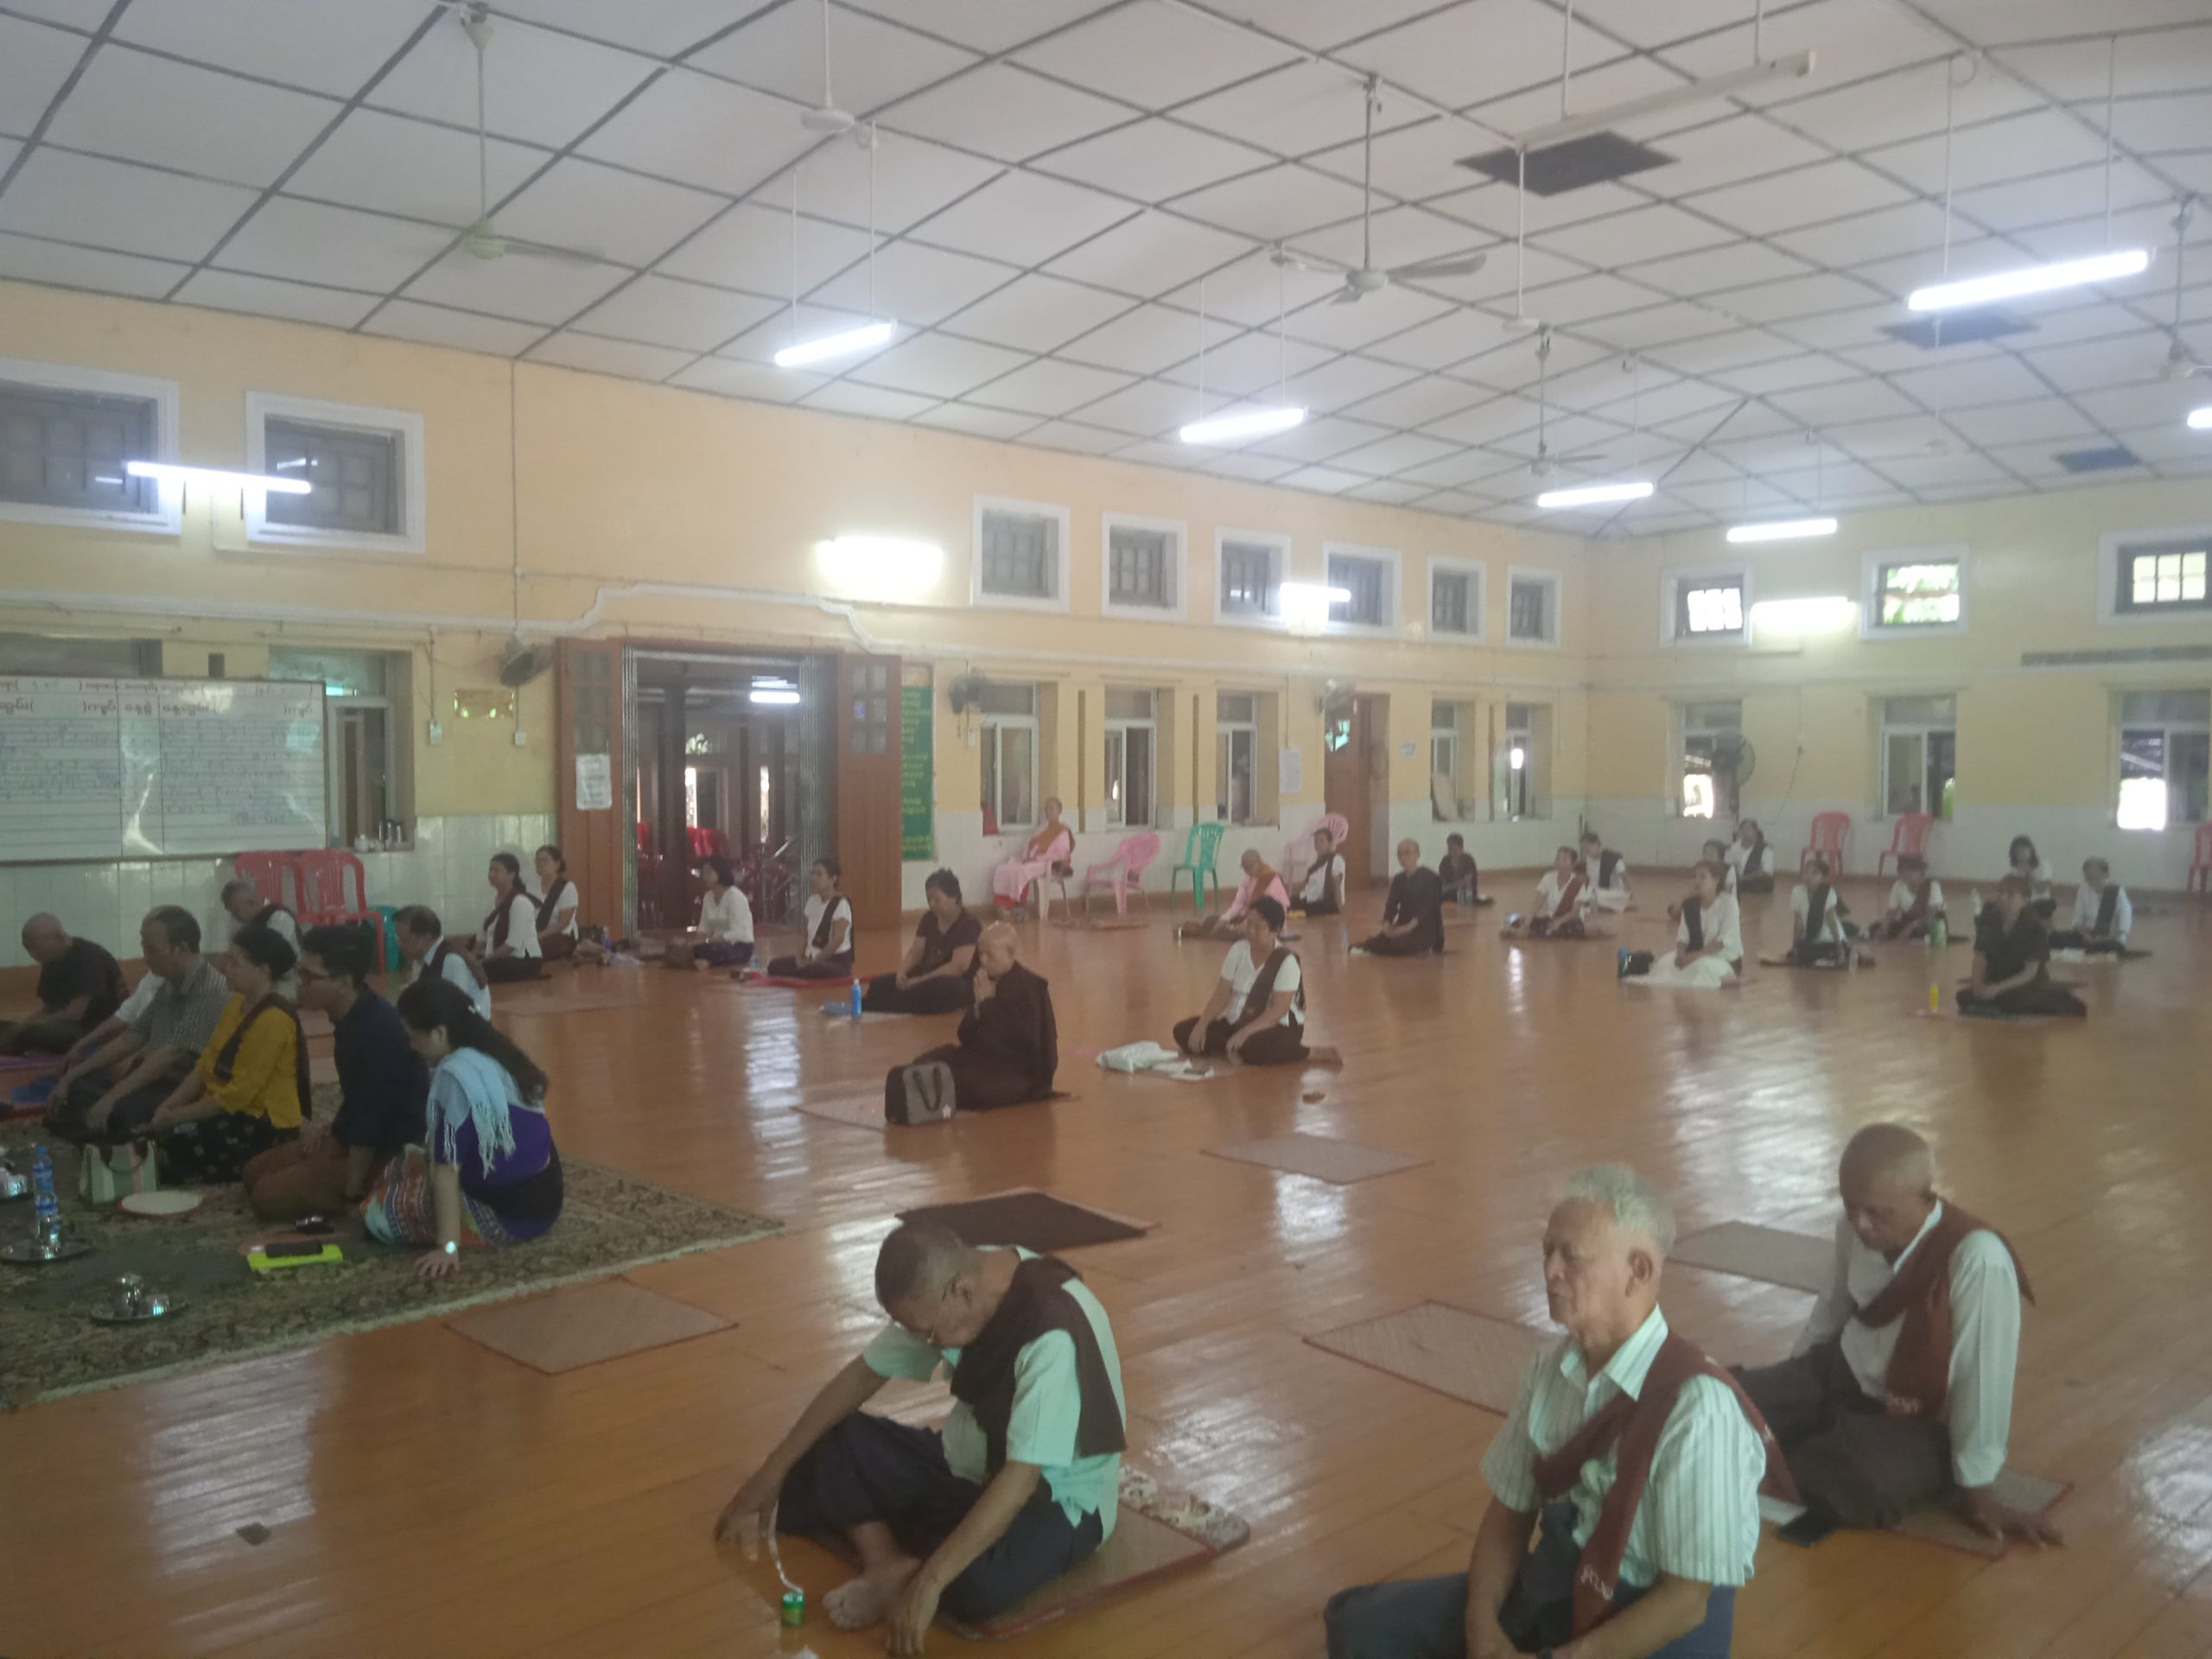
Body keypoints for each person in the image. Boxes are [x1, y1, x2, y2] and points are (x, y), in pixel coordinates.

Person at [1324, 1165, 1792, 1659]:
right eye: (1547, 1250)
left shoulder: (1699, 1408)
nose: (1550, 1271)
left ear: (1638, 1271)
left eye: (1571, 1256)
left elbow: (1685, 1602)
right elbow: (1509, 1513)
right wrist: (1482, 1627)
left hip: (1647, 1625)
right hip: (1560, 1585)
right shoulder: (1550, 1371)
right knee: (1360, 1628)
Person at [715, 1224, 1127, 1645]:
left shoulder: (1051, 1331)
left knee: (977, 1587)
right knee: (835, 1437)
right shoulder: (957, 1277)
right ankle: (885, 1564)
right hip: (969, 1465)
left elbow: (1021, 1478)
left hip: (1054, 1499)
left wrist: (930, 1584)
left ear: (962, 1293)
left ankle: (921, 1569)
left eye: (926, 1333)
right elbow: (862, 1376)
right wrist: (772, 1472)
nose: (923, 1341)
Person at [1734, 1124, 2058, 1546]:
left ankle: (1799, 1447)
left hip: (1917, 1419)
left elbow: (1984, 1377)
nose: (1861, 1224)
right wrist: (1791, 1383)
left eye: (1877, 1213)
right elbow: (1830, 1310)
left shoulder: (1977, 1258)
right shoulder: (1853, 1226)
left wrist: (1978, 1490)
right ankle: (1797, 1438)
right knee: (1724, 1401)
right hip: (1842, 1375)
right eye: (1851, 1208)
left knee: (1856, 1477)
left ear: (1926, 1198)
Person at [367, 976, 563, 1274]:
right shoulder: (495, 1049)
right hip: (547, 1197)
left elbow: (446, 1170)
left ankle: (468, 1229)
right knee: (401, 1167)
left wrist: (448, 1247)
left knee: (378, 1213)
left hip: (510, 1216)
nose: (411, 1046)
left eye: (413, 1037)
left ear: (439, 1033)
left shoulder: (454, 1077)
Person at [243, 923, 427, 1223]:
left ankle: (386, 1189)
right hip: (355, 1133)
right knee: (253, 1173)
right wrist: (334, 1129)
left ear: (343, 982)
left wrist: (351, 1193)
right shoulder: (351, 1015)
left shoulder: (378, 1031)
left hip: (392, 1148)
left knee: (268, 1195)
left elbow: (370, 1122)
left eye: (309, 977)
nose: (299, 984)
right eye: (299, 972)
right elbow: (358, 1096)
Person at [129, 924, 308, 1184]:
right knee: (143, 1123)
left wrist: (176, 1117)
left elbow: (238, 1095)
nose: (225, 968)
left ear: (263, 970)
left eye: (235, 963)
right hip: (227, 1110)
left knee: (170, 1147)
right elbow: (206, 1064)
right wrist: (169, 1106)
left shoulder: (275, 1019)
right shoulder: (237, 1004)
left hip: (262, 1123)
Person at [45, 906, 232, 1145]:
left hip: (180, 1088)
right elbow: (129, 1038)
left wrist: (111, 1098)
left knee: (119, 1111)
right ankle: (94, 1131)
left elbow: (169, 1056)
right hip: (152, 1076)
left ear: (181, 948)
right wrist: (71, 1076)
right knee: (76, 1088)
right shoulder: (169, 983)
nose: (145, 956)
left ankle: (102, 1134)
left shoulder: (212, 990)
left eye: (151, 949)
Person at [882, 924, 1058, 1120]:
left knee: (970, 1086)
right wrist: (977, 1008)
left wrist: (988, 1005)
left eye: (990, 955)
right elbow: (964, 1036)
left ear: (1010, 954)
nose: (983, 961)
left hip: (1017, 1070)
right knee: (930, 1062)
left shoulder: (1030, 988)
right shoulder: (984, 981)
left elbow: (1026, 1041)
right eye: (980, 954)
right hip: (980, 1058)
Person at [1173, 896, 1339, 1068]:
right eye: (1248, 924)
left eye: (1257, 927)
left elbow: (1278, 1011)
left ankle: (1309, 1052)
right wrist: (1202, 1025)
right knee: (1183, 1031)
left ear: (1275, 931)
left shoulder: (1286, 961)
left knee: (1254, 1047)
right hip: (1236, 1022)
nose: (1250, 931)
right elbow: (1221, 994)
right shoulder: (1238, 950)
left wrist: (1244, 1034)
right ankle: (1234, 1049)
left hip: (1274, 1027)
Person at [1958, 875, 2085, 1017]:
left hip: (2027, 983)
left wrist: (1997, 989)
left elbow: (2029, 972)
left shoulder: (2035, 928)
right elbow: (1980, 958)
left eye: (2011, 894)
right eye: (2000, 892)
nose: (2003, 898)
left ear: (2025, 901)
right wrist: (1977, 984)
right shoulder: (1987, 921)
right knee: (1964, 997)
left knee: (2017, 1000)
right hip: (1997, 977)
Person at [0, 914, 124, 1056]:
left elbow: (74, 1014)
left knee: (32, 1034)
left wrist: (28, 1026)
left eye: (35, 948)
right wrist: (22, 1024)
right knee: (9, 1028)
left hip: (95, 1028)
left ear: (59, 938)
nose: (32, 954)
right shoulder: (51, 960)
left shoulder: (90, 959)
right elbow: (48, 1009)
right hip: (66, 1023)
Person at [867, 870, 982, 1014]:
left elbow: (958, 967)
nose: (932, 904)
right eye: (929, 899)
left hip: (951, 982)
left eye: (937, 900)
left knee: (936, 991)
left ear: (954, 898)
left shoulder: (969, 925)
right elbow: (915, 953)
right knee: (878, 984)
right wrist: (902, 972)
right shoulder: (929, 918)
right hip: (925, 975)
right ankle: (873, 1004)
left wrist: (919, 981)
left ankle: (873, 1006)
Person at [1620, 861, 1742, 989]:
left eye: (1702, 877)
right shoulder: (1690, 905)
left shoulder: (1729, 903)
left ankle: (1729, 979)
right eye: (1695, 877)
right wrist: (1681, 954)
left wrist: (1694, 956)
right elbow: (1683, 936)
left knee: (1704, 968)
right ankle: (1629, 962)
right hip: (1693, 955)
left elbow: (1723, 941)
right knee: (1665, 962)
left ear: (1716, 880)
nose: (1697, 881)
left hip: (1722, 958)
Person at [395, 905, 493, 1021]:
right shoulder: (419, 960)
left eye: (405, 939)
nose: (399, 944)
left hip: (470, 1026)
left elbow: (455, 1009)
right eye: (398, 938)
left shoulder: (452, 961)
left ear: (427, 937)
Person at [764, 858, 855, 979]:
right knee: (774, 966)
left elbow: (837, 940)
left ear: (833, 879)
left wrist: (816, 960)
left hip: (834, 961)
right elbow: (807, 934)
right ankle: (800, 971)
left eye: (819, 874)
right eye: (813, 874)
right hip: (810, 956)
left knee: (811, 969)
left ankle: (801, 971)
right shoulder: (812, 901)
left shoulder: (841, 904)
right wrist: (800, 956)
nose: (813, 878)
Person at [1353, 838, 1446, 957]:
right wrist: (1387, 925)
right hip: (1403, 926)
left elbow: (1426, 910)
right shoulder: (1399, 879)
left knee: (1398, 944)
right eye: (1400, 854)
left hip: (1425, 930)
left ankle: (1424, 948)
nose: (1403, 858)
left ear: (1417, 854)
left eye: (1407, 853)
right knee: (1371, 943)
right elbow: (1391, 904)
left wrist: (1405, 929)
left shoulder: (1431, 878)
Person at [1179, 848, 1290, 943]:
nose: (1247, 872)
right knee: (1212, 920)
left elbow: (1277, 911)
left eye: (1249, 868)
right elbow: (1239, 902)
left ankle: (1201, 932)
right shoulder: (1248, 879)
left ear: (1259, 863)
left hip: (1267, 925)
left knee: (1238, 933)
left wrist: (1247, 923)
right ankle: (1208, 931)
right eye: (1245, 869)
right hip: (1247, 918)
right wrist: (1225, 919)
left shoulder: (1272, 880)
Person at [991, 798, 1076, 921]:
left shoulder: (1063, 830)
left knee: (1022, 871)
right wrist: (1028, 857)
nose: (1048, 812)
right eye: (1046, 809)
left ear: (1059, 811)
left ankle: (1017, 905)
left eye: (1051, 809)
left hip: (1049, 864)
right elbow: (1031, 846)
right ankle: (1003, 904)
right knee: (1004, 868)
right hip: (1033, 860)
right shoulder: (1041, 829)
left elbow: (1062, 854)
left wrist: (1038, 857)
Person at [1501, 847, 1595, 941]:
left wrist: (1559, 922)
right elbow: (1538, 902)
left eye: (1564, 859)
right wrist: (1527, 923)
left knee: (1564, 931)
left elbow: (1574, 913)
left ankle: (1528, 933)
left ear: (1573, 864)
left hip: (1569, 921)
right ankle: (1528, 931)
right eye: (1558, 858)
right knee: (1521, 922)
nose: (1559, 862)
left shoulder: (1578, 883)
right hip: (1551, 918)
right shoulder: (1548, 877)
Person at [1783, 855, 1859, 968]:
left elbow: (1832, 924)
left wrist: (1840, 951)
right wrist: (1794, 946)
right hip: (1812, 940)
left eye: (1814, 873)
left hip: (1829, 940)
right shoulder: (1797, 892)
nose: (1808, 876)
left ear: (1823, 878)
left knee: (1828, 952)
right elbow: (1797, 922)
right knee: (1803, 953)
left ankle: (1841, 950)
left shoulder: (1828, 893)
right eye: (1806, 872)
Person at [479, 853, 544, 983]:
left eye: (496, 870)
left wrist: (483, 961)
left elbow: (512, 945)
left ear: (512, 874)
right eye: (490, 870)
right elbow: (481, 939)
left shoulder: (521, 902)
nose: (491, 874)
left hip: (523, 960)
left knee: (478, 970)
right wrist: (471, 958)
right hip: (496, 958)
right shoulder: (491, 903)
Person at [2050, 857, 2132, 954]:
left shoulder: (2117, 893)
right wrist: (2086, 935)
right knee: (2054, 937)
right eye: (2088, 878)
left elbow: (2122, 931)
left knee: (2104, 947)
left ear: (2106, 874)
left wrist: (2101, 938)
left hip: (2109, 939)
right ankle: (2085, 950)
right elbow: (2078, 922)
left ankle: (2085, 950)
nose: (2091, 882)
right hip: (2087, 937)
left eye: (2095, 877)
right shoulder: (2084, 889)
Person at [692, 855, 755, 968]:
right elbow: (704, 926)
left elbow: (738, 932)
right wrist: (697, 941)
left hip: (739, 945)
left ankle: (708, 960)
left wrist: (713, 940)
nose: (705, 877)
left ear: (720, 873)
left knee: (718, 951)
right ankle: (706, 959)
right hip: (715, 945)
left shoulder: (735, 896)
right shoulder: (708, 897)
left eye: (708, 873)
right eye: (704, 873)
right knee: (695, 949)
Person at [1872, 854, 1944, 941]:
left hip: (1929, 924)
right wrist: (1885, 925)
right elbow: (1892, 911)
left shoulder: (1933, 886)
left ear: (1921, 872)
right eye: (1902, 871)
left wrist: (1912, 926)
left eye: (1911, 871)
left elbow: (1931, 915)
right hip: (1907, 922)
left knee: (1924, 931)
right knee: (1875, 927)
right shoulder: (1898, 885)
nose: (1906, 874)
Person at [531, 843, 581, 959]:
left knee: (533, 949)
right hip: (534, 933)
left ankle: (577, 947)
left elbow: (563, 923)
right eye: (538, 861)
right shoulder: (531, 886)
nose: (541, 864)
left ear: (557, 864)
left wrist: (537, 936)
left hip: (561, 934)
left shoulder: (567, 887)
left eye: (545, 861)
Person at [1293, 825, 1347, 918]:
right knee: (1288, 901)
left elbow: (1337, 885)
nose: (1318, 844)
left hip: (1325, 902)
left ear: (1330, 843)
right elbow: (1307, 883)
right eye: (1316, 841)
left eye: (1321, 841)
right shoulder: (1316, 861)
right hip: (1310, 897)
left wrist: (1339, 909)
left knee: (1292, 905)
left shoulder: (1336, 860)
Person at [1580, 830, 1631, 915]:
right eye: (1583, 850)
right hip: (1594, 891)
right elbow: (1590, 877)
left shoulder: (1613, 858)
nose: (1585, 853)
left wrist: (1629, 894)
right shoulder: (1588, 858)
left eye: (1587, 849)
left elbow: (1625, 877)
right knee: (1576, 893)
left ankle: (1598, 904)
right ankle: (1599, 904)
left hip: (1611, 893)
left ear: (1596, 844)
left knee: (1588, 897)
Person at [2007, 836, 2057, 920]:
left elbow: (2042, 889)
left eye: (2023, 849)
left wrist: (2028, 872)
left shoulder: (2044, 865)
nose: (2021, 854)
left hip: (2041, 903)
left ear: (2031, 849)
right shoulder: (2014, 870)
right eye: (2017, 852)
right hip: (2022, 904)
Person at [1725, 820, 1775, 894]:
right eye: (1742, 829)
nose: (1745, 832)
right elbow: (1727, 865)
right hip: (1738, 880)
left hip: (1756, 881)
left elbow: (1767, 872)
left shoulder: (1765, 849)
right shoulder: (1734, 848)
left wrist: (1744, 878)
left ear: (1755, 832)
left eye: (1748, 829)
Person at [1438, 833, 1487, 907]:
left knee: (1465, 890)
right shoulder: (1445, 861)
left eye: (1454, 848)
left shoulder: (1468, 860)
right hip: (1450, 891)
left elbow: (1467, 881)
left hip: (1465, 892)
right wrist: (1453, 886)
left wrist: (1454, 886)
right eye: (1449, 848)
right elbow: (1442, 882)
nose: (1451, 851)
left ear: (1461, 847)